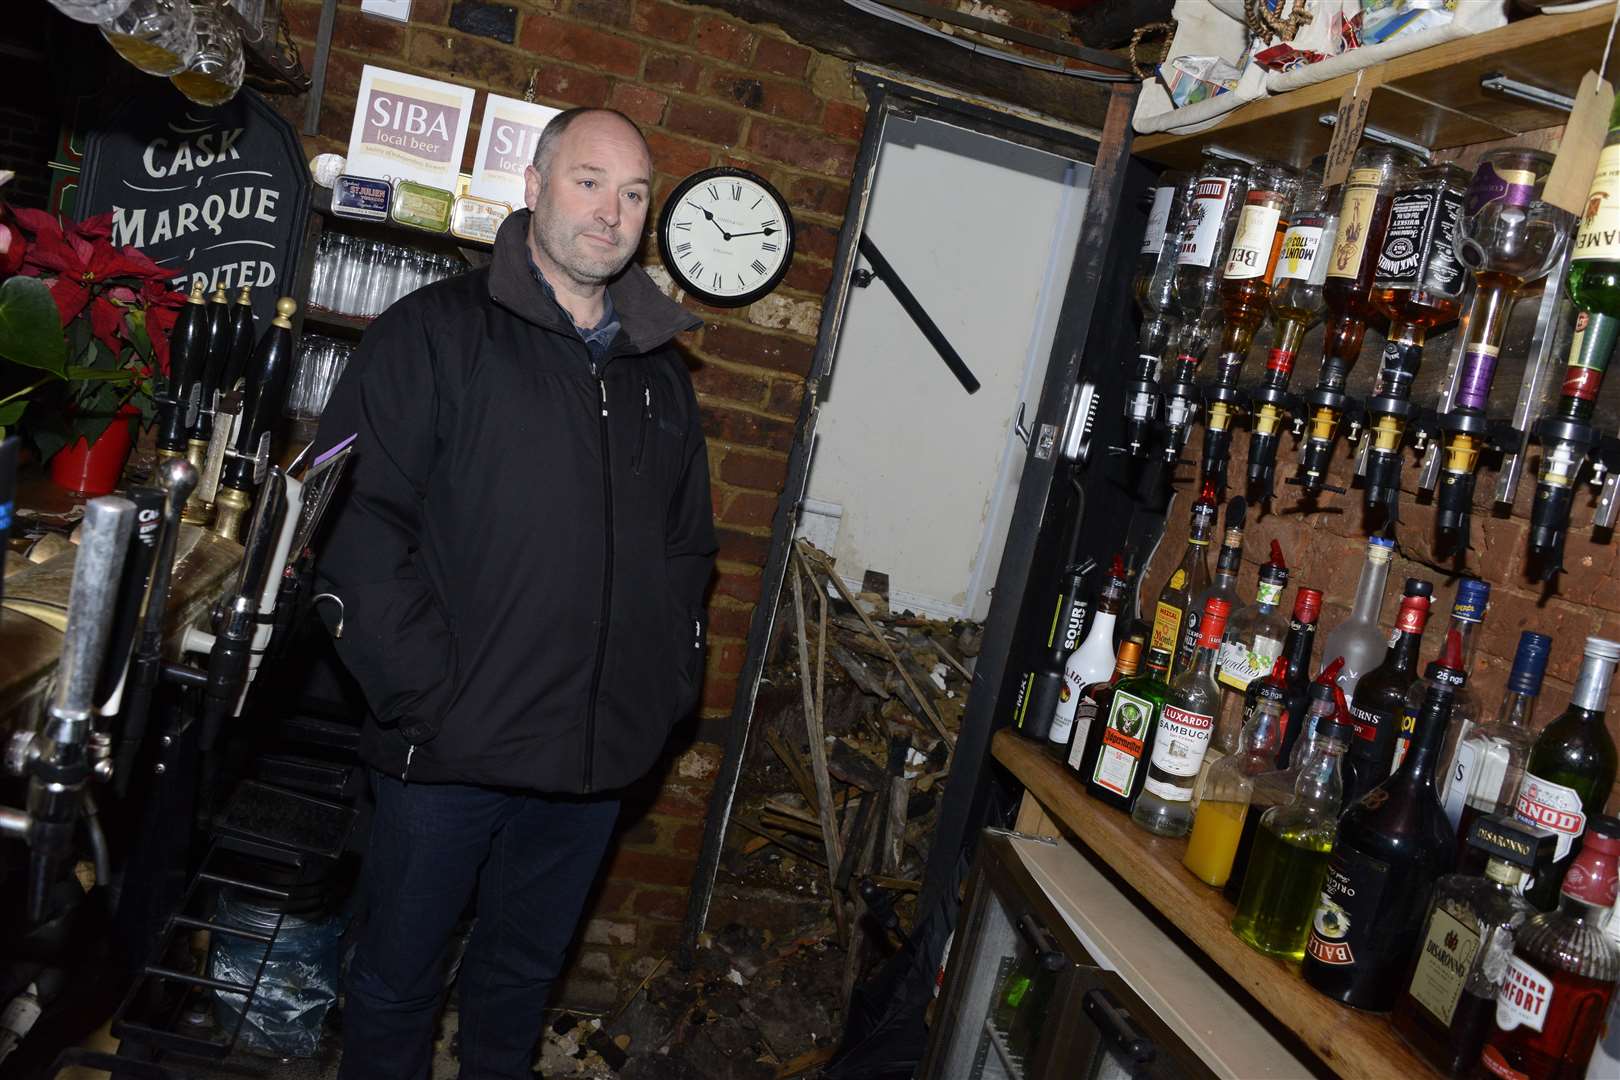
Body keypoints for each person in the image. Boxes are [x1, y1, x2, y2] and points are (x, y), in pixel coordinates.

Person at [313, 108, 717, 1080]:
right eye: (588, 181)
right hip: (447, 753)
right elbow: (354, 531)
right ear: (532, 188)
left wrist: (663, 691)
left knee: (519, 984)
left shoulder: (662, 379)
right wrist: (427, 696)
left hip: (588, 765)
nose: (610, 213)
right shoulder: (433, 336)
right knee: (396, 985)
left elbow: (687, 551)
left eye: (632, 195)